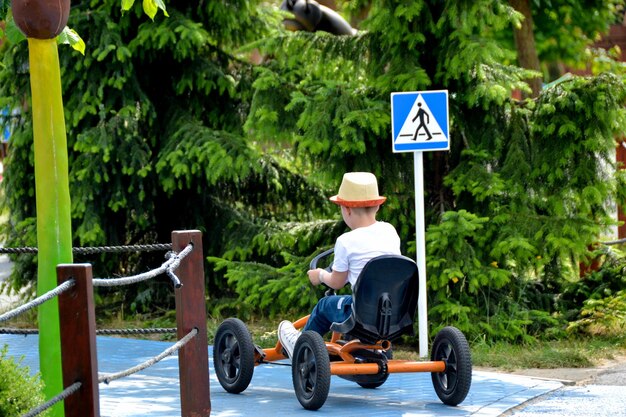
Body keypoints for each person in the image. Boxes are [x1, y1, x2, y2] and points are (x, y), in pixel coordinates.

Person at [278, 172, 401, 359]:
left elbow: (336, 282)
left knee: (324, 305)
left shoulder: (346, 241)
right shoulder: (389, 231)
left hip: (360, 315)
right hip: (393, 312)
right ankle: (370, 349)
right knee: (351, 302)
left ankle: (300, 344)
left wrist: (319, 275)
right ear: (377, 206)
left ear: (347, 209)